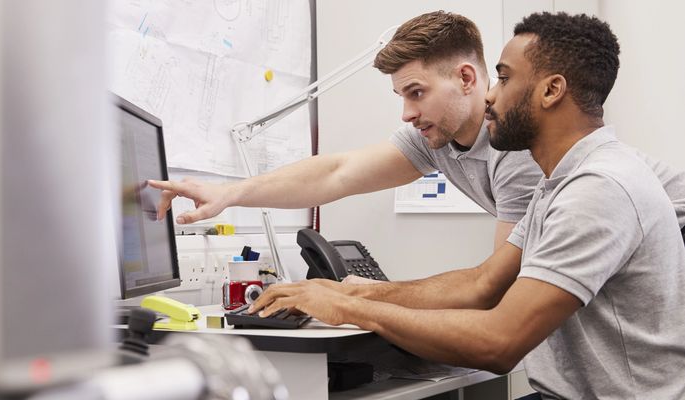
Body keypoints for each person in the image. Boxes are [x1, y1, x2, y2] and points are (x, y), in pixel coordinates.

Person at [248, 12, 685, 399]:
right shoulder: (562, 182)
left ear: (552, 90)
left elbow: (498, 342)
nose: (491, 96)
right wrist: (353, 291)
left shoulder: (596, 189)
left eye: (505, 78)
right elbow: (482, 282)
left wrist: (349, 307)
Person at [150, 11, 544, 251]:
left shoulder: (513, 148)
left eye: (417, 92)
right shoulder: (436, 138)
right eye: (401, 96)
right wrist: (227, 194)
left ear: (465, 78)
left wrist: (360, 298)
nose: (407, 114)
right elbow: (337, 172)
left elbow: (498, 284)